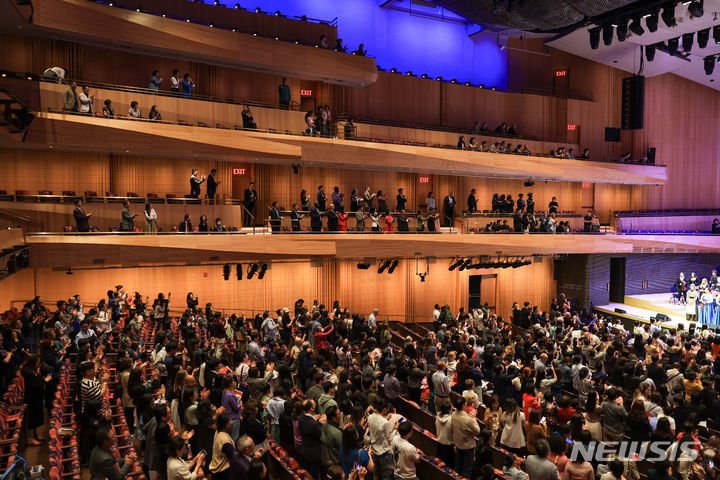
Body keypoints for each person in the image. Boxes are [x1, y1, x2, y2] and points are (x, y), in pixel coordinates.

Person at [452, 396, 480, 478]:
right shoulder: (468, 419)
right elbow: (477, 431)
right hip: (468, 447)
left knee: (458, 467)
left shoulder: (453, 414)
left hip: (458, 444)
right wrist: (473, 417)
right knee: (467, 470)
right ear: (464, 405)